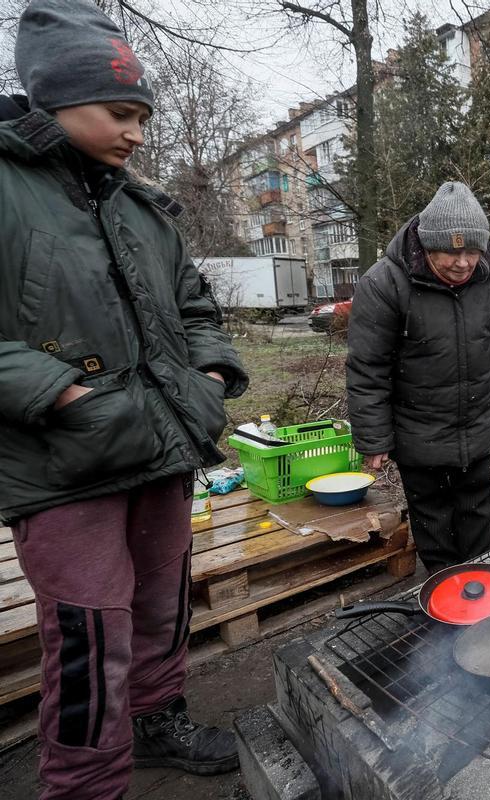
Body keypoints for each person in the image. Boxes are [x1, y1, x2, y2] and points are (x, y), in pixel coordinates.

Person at [0, 2, 249, 797]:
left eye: (143, 116)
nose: (138, 133)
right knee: (86, 637)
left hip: (163, 449)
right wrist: (67, 394)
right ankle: (85, 782)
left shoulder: (143, 208)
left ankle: (157, 722)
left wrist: (208, 383)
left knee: (159, 603)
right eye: (121, 113)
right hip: (64, 463)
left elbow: (198, 310)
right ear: (56, 97)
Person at [346, 181, 490, 573]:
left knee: (478, 513)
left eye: (472, 251)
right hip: (418, 429)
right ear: (425, 245)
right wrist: (374, 438)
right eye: (450, 252)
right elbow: (368, 366)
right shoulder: (384, 283)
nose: (462, 263)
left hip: (476, 424)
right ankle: (444, 592)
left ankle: (481, 587)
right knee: (434, 520)